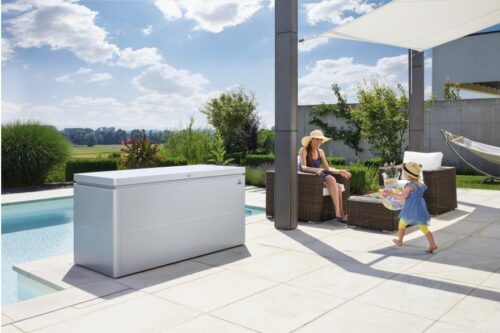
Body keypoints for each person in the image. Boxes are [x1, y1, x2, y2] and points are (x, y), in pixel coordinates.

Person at [383, 161, 438, 253]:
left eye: (404, 173)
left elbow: (402, 197)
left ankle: (400, 241)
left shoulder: (409, 186)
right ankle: (433, 244)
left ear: (408, 175)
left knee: (402, 223)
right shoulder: (421, 185)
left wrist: (391, 193)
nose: (404, 174)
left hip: (411, 209)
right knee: (423, 227)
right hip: (420, 208)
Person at [299, 130, 351, 222]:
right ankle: (339, 213)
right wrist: (315, 170)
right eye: (317, 139)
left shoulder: (321, 152)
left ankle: (340, 214)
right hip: (311, 178)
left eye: (321, 140)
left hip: (321, 177)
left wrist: (340, 171)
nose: (319, 142)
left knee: (338, 187)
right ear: (311, 140)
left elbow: (327, 168)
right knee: (331, 178)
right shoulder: (304, 150)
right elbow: (303, 167)